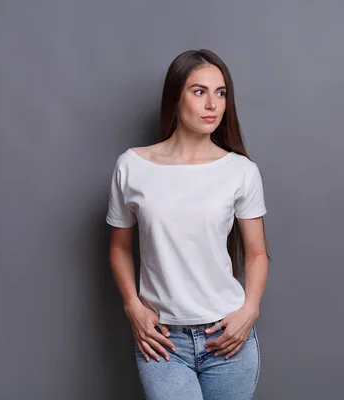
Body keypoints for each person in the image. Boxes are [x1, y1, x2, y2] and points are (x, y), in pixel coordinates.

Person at [105, 49, 271, 400]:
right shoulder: (132, 166)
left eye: (220, 93)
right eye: (199, 92)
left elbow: (256, 252)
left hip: (228, 338)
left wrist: (249, 310)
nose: (212, 104)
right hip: (162, 339)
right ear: (175, 97)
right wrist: (133, 307)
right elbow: (119, 247)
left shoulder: (241, 171)